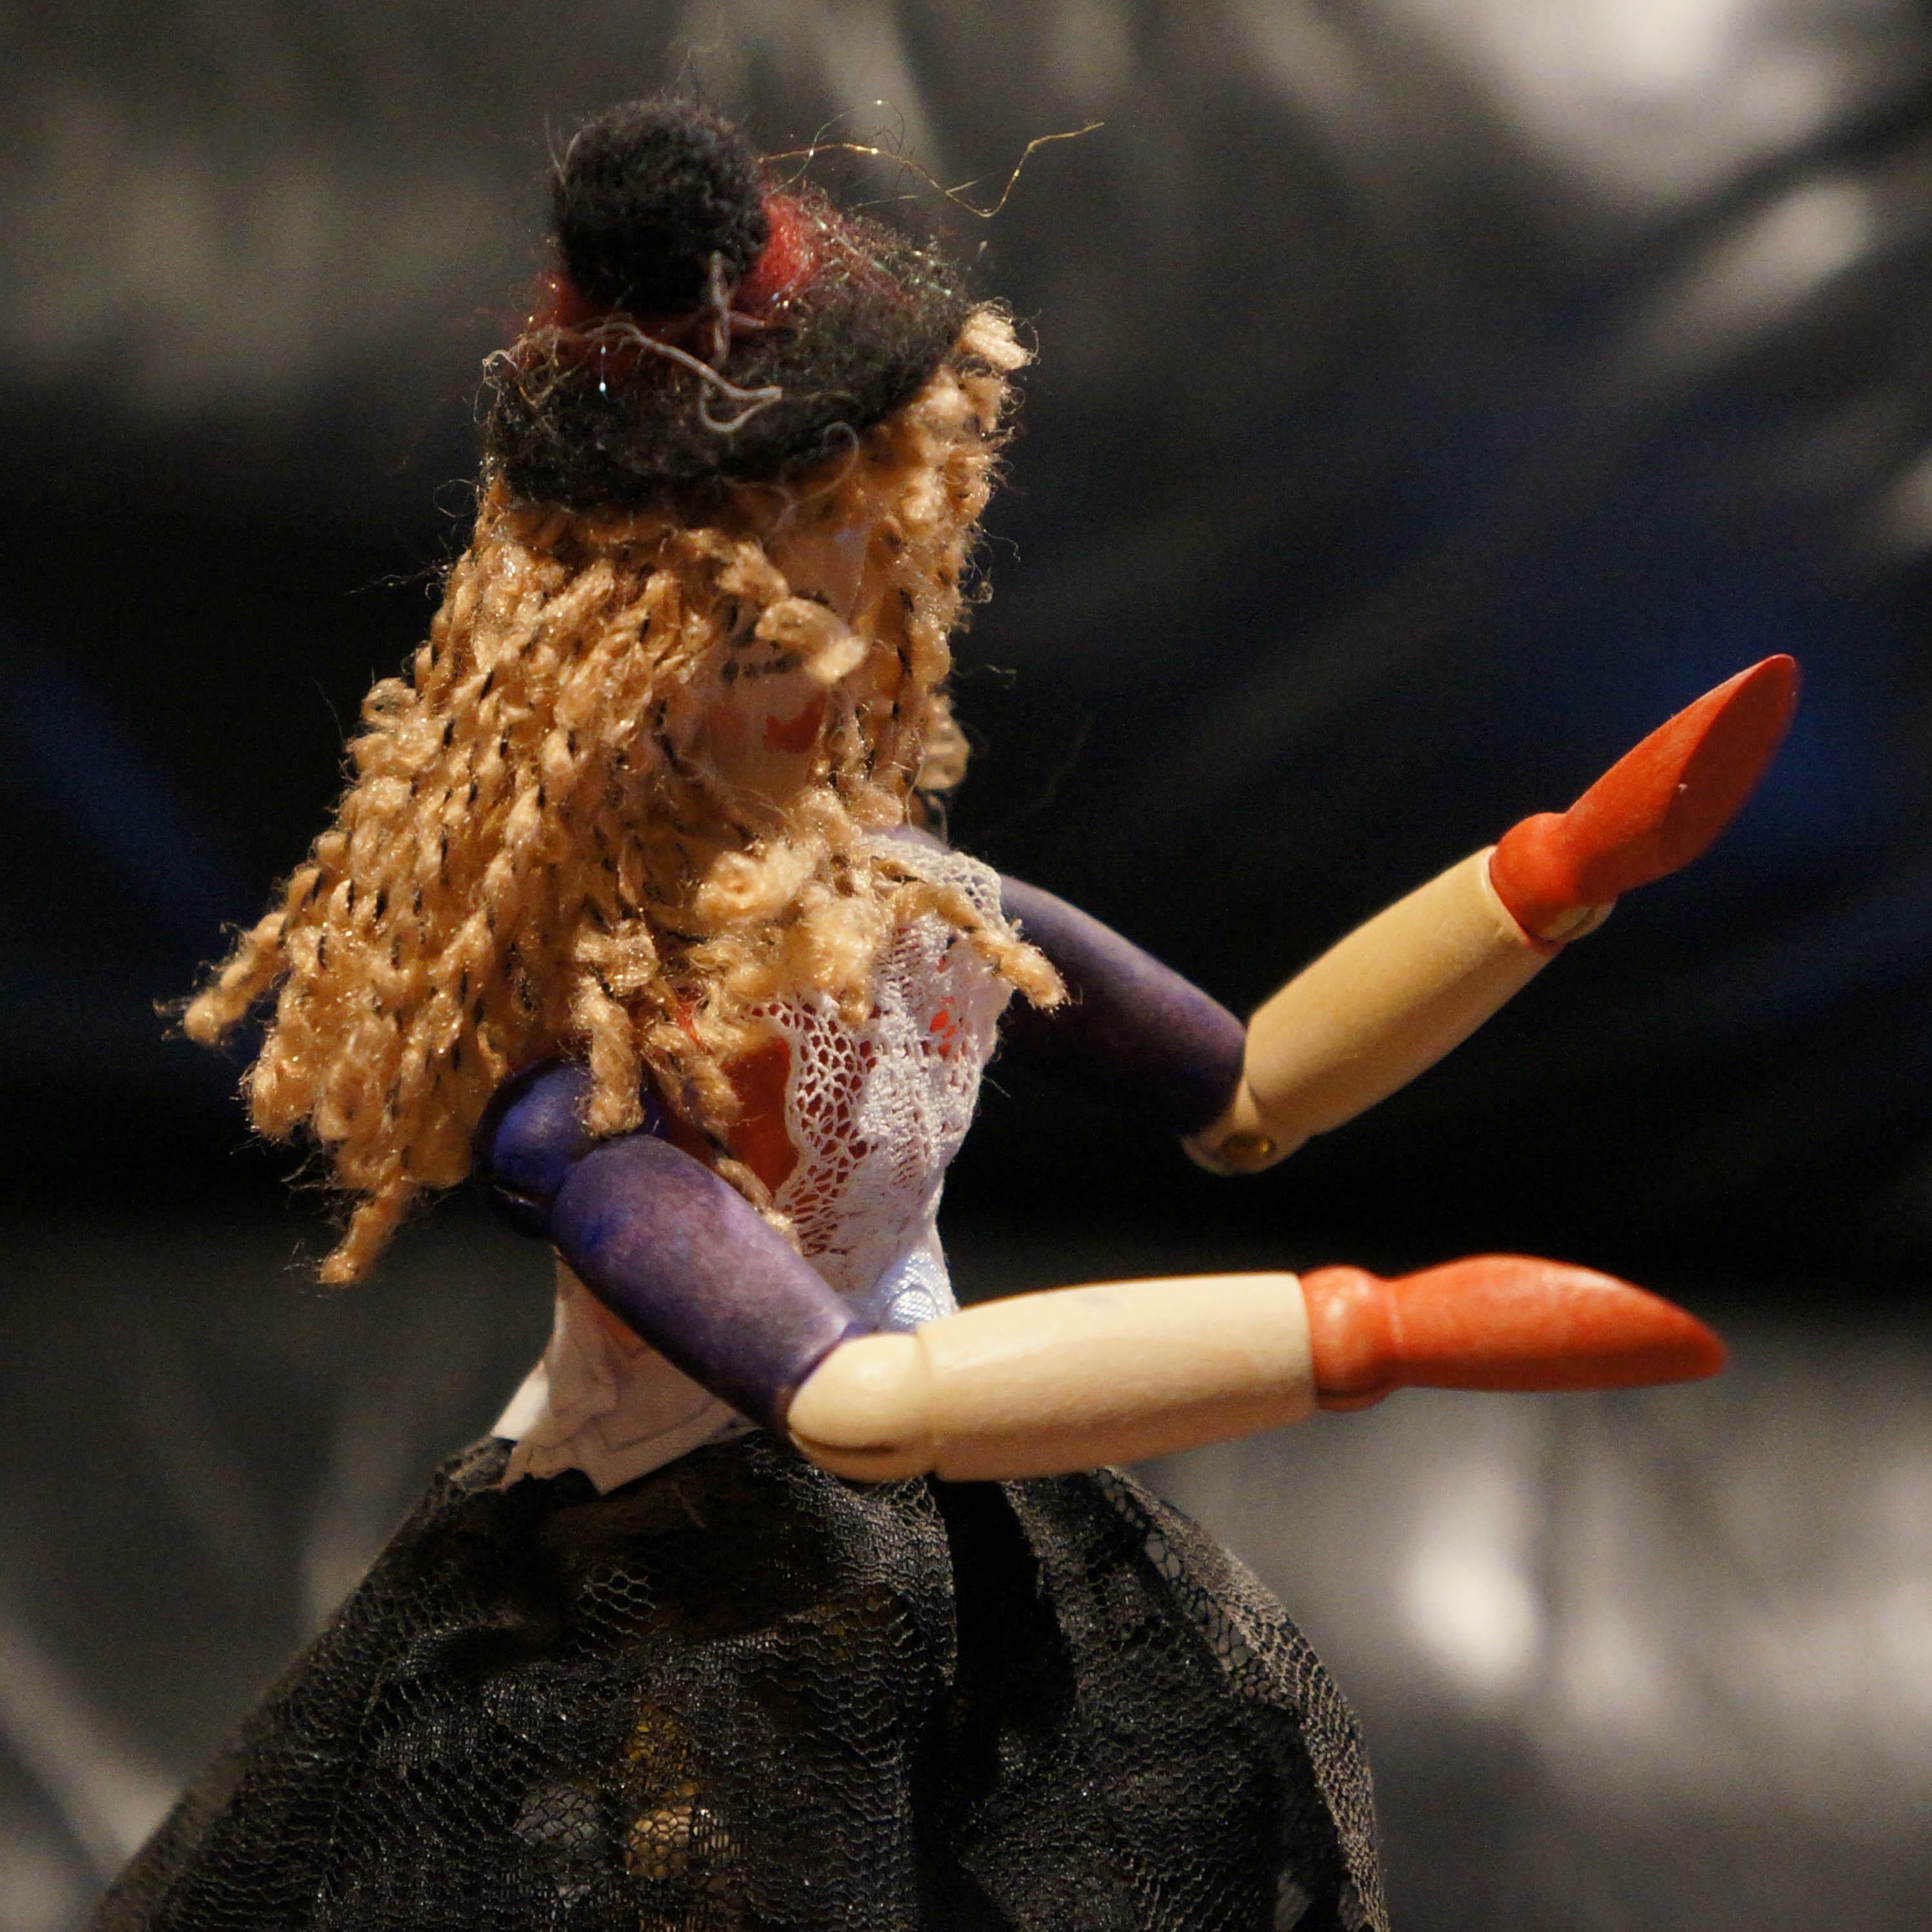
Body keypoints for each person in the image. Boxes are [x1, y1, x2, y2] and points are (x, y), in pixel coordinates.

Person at [102, 99, 1793, 1932]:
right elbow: (855, 1398)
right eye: (746, 639)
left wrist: (1557, 874)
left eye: (857, 578)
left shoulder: (923, 913)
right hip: (676, 1620)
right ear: (591, 659)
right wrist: (1361, 1332)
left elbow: (1252, 1092)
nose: (822, 665)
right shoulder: (595, 1096)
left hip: (961, 1547)